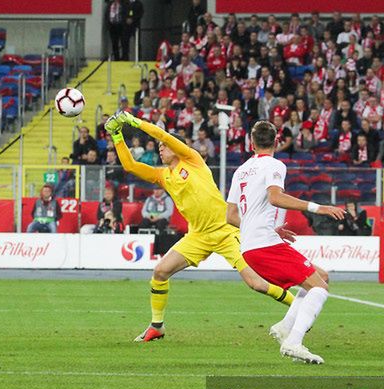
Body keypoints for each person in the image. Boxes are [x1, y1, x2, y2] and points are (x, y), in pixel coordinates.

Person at [105, 111, 297, 343]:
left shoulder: (192, 159)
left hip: (226, 231)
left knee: (256, 283)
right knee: (160, 272)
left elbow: (159, 133)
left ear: (176, 147)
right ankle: (157, 326)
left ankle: (298, 306)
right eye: (160, 147)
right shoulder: (163, 175)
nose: (160, 149)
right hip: (197, 235)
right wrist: (117, 134)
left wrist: (134, 122)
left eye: (164, 146)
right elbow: (130, 165)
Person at [226, 120, 345, 364]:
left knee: (321, 277)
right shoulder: (274, 165)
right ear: (277, 142)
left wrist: (270, 229)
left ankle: (284, 328)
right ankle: (294, 342)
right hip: (264, 245)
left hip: (253, 245)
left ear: (251, 143)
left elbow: (230, 216)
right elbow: (276, 197)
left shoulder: (241, 171)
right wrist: (318, 207)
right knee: (320, 288)